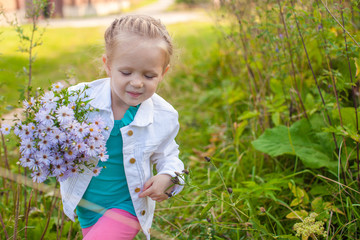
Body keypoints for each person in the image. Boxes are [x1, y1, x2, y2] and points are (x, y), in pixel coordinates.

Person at [59, 14, 185, 240]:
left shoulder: (162, 116)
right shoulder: (79, 99)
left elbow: (169, 156)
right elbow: (53, 130)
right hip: (85, 205)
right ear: (108, 65)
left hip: (128, 206)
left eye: (149, 75)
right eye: (126, 72)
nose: (137, 82)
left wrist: (169, 176)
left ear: (163, 73)